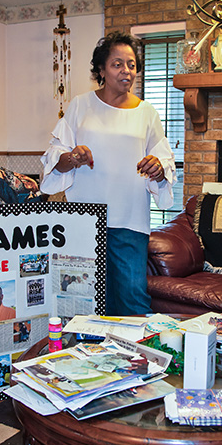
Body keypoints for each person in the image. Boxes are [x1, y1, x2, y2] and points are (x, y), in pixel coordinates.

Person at [40, 32, 175, 316]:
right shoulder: (80, 105)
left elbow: (164, 164)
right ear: (101, 70)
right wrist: (73, 157)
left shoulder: (147, 113)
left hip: (130, 222)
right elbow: (55, 160)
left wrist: (158, 169)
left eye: (131, 64)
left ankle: (138, 359)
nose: (126, 71)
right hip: (85, 221)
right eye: (117, 64)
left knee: (132, 301)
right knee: (85, 300)